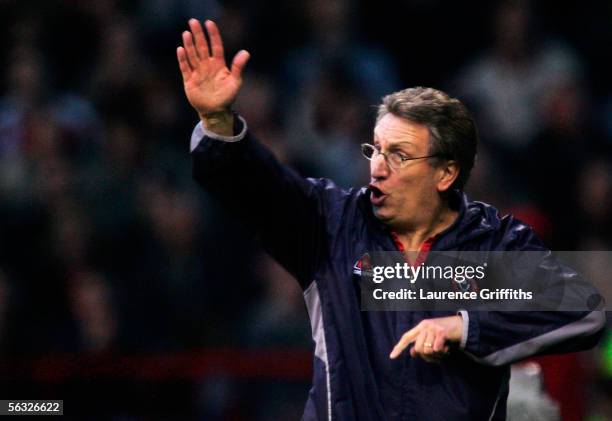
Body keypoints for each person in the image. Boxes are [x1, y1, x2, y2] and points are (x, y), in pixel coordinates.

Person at [177, 19, 606, 420]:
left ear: (446, 172)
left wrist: (465, 326)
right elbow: (258, 186)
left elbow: (581, 311)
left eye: (398, 156)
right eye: (375, 151)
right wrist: (219, 122)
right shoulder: (331, 224)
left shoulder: (492, 244)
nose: (377, 168)